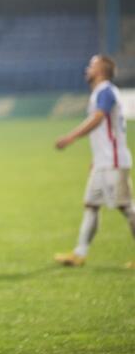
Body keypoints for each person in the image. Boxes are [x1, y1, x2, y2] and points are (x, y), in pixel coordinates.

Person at [54, 54, 135, 268]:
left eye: (92, 65)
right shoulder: (101, 92)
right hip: (103, 163)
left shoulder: (106, 91)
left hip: (114, 162)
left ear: (100, 71)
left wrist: (71, 137)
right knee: (91, 205)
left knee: (127, 207)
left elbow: (98, 118)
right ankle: (79, 254)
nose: (87, 68)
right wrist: (96, 158)